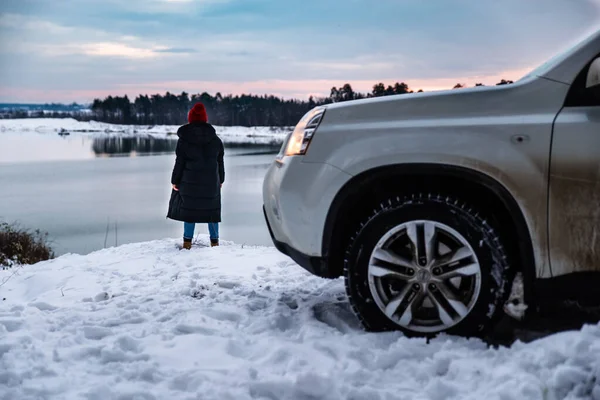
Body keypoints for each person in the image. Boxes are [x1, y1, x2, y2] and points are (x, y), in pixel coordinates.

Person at [167, 102, 224, 249]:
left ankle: (187, 243)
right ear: (205, 119)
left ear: (191, 119)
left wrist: (175, 181)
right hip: (211, 183)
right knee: (212, 211)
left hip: (189, 182)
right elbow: (220, 162)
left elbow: (179, 162)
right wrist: (221, 179)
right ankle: (215, 242)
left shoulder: (184, 140)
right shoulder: (216, 140)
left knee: (189, 211)